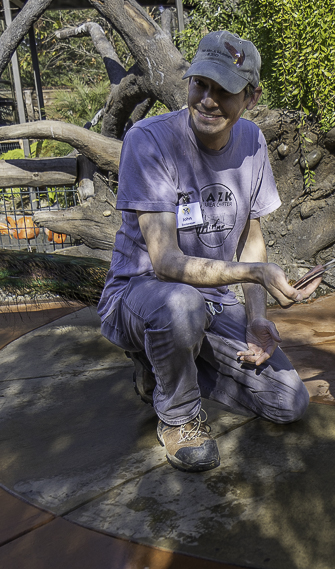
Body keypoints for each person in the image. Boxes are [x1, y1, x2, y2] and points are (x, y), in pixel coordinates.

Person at [97, 31, 321, 473]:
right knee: (182, 305)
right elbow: (166, 263)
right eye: (201, 84)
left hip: (212, 304)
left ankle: (164, 365)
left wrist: (256, 318)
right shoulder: (149, 140)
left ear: (251, 97)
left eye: (224, 91)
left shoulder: (252, 141)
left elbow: (251, 237)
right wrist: (254, 274)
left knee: (288, 402)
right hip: (141, 294)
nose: (207, 100)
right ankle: (179, 417)